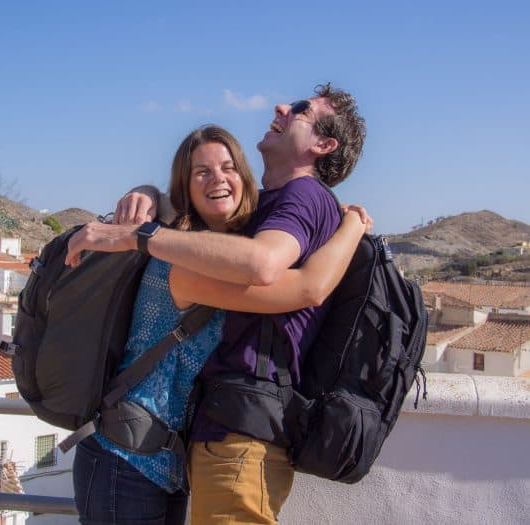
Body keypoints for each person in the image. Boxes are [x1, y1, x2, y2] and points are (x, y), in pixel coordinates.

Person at [66, 83, 368, 524]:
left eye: (227, 167)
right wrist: (144, 199)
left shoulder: (274, 215)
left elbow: (286, 275)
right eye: (200, 172)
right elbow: (303, 286)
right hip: (127, 459)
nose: (217, 179)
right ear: (183, 187)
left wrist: (353, 227)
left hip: (173, 462)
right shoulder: (183, 260)